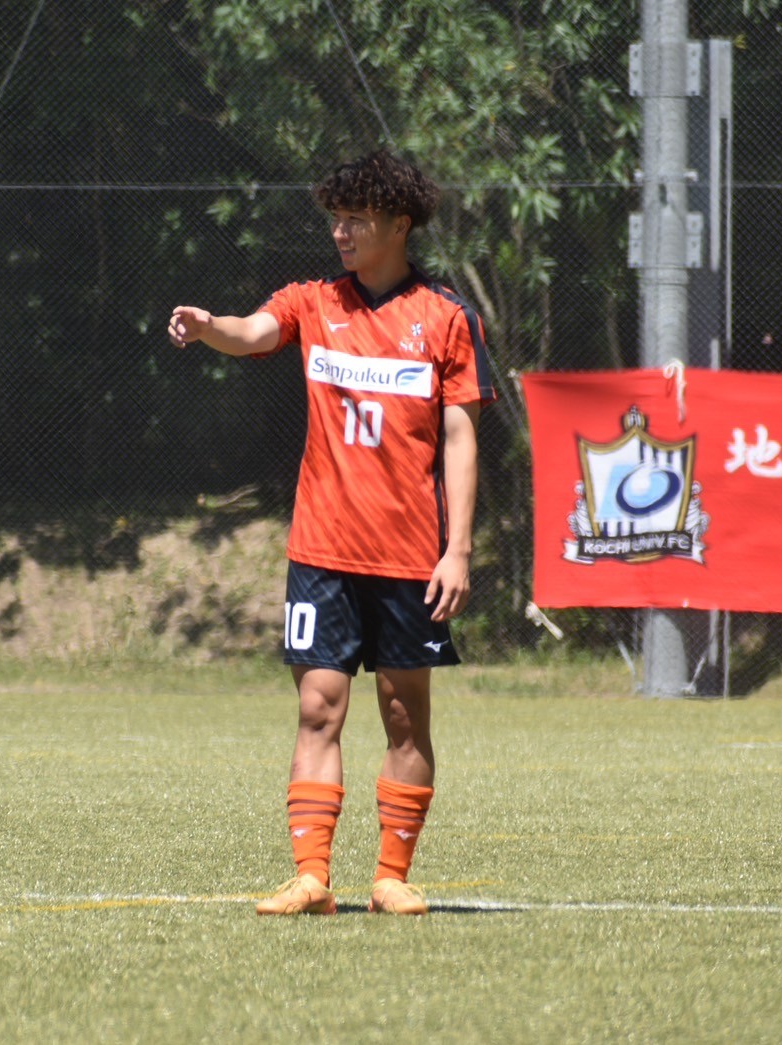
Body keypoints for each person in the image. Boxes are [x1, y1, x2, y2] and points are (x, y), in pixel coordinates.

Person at [168, 150, 493, 915]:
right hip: (322, 550)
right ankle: (311, 876)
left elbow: (460, 437)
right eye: (335, 219)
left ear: (399, 224)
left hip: (409, 553)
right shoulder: (313, 302)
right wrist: (210, 326)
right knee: (318, 706)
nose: (340, 232)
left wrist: (457, 549)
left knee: (404, 713)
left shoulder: (445, 317)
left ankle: (390, 877)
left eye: (356, 220)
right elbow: (253, 333)